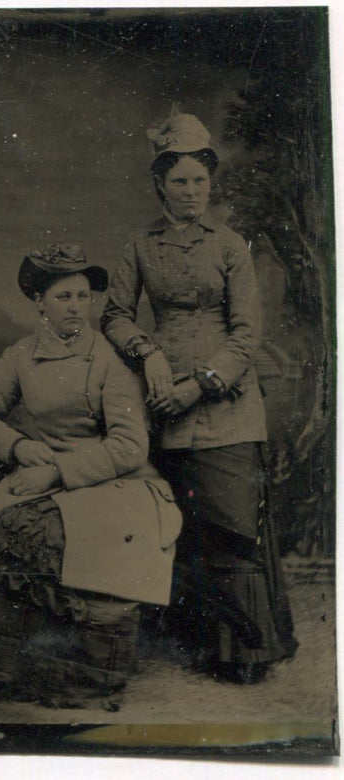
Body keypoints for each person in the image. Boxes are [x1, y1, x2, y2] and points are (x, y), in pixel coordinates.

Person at [101, 111, 297, 684]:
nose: (192, 192)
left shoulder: (231, 245)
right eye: (180, 181)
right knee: (178, 523)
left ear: (212, 184)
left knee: (232, 523)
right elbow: (113, 312)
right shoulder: (141, 245)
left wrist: (200, 384)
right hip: (160, 402)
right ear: (160, 183)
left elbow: (246, 334)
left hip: (227, 404)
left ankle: (246, 650)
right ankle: (189, 636)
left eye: (201, 181)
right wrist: (148, 352)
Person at [0, 243, 182, 708]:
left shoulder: (108, 358)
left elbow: (129, 445)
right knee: (7, 528)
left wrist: (57, 472)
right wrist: (18, 446)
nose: (76, 307)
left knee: (52, 532)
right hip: (46, 476)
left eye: (83, 296)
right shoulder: (21, 355)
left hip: (116, 480)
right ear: (39, 302)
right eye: (63, 298)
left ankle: (80, 670)